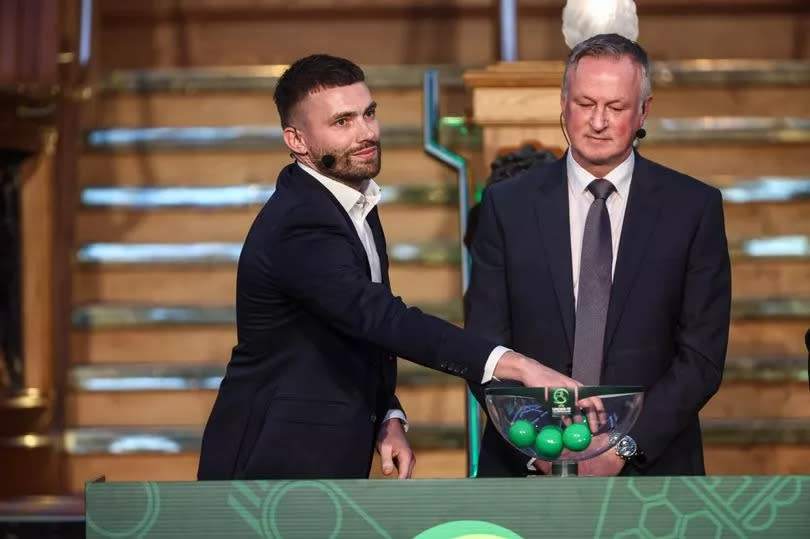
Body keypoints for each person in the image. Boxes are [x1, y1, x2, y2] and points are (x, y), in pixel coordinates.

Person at [197, 54, 580, 481]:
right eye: (342, 122)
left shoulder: (350, 200)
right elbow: (379, 317)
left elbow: (355, 334)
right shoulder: (299, 222)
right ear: (297, 140)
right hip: (269, 463)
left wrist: (387, 415)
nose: (366, 133)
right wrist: (517, 365)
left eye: (369, 113)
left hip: (324, 455)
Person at [466, 34, 731, 476]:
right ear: (564, 103)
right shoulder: (507, 206)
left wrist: (623, 447)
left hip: (652, 470)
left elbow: (701, 357)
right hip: (526, 466)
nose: (598, 121)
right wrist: (539, 446)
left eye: (616, 107)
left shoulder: (693, 208)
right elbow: (484, 342)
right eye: (585, 103)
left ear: (643, 110)